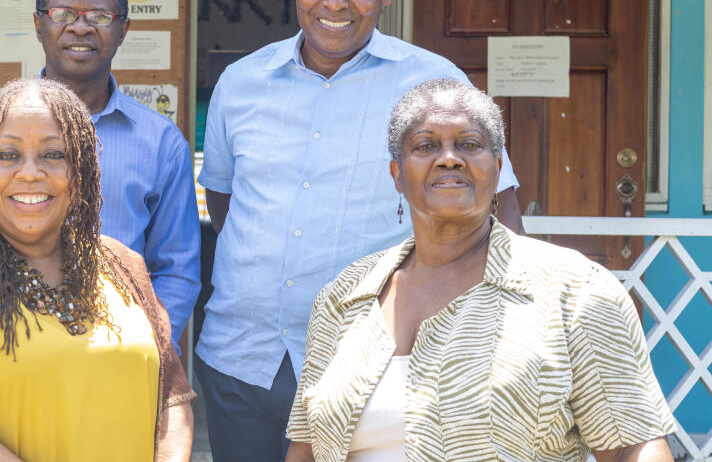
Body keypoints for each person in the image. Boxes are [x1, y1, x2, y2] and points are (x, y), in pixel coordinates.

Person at [195, 0, 524, 460]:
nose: (335, 4)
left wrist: (509, 328)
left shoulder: (434, 84)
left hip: (378, 364)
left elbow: (498, 209)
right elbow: (227, 202)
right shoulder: (240, 82)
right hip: (240, 359)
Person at [285, 78, 675, 462]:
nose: (449, 157)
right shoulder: (344, 297)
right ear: (397, 175)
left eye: (469, 144)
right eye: (425, 145)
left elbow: (632, 445)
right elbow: (305, 450)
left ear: (498, 168)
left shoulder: (574, 289)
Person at [0, 79, 195, 461]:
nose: (30, 173)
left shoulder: (122, 265)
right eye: (7, 155)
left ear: (81, 173)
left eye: (54, 155)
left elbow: (173, 402)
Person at [0, 0, 200, 349]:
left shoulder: (161, 144)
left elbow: (176, 271)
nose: (80, 26)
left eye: (100, 16)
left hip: (114, 354)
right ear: (39, 25)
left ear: (123, 29)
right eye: (64, 13)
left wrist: (147, 349)